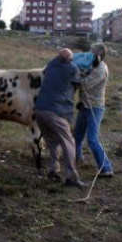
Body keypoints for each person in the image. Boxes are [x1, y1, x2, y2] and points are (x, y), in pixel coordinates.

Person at [35, 48, 87, 188]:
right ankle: (71, 178)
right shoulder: (72, 69)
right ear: (70, 59)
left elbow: (47, 71)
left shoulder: (51, 64)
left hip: (40, 110)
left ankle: (53, 170)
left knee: (52, 142)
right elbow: (80, 81)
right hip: (56, 111)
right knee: (69, 142)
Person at [73, 43, 114, 177]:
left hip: (95, 108)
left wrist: (73, 75)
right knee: (77, 137)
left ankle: (106, 168)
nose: (89, 54)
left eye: (92, 52)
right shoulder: (91, 66)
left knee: (92, 139)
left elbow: (84, 84)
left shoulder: (101, 69)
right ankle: (76, 160)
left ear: (98, 55)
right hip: (84, 106)